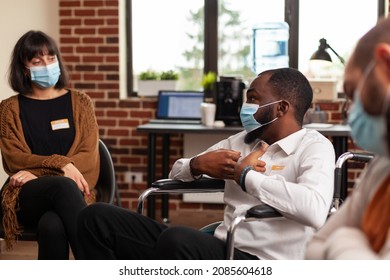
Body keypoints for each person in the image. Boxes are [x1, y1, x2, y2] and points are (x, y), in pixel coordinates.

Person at [77, 67, 335, 260]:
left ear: (280, 108)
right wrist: (198, 165)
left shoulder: (314, 147)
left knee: (178, 240)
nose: (245, 106)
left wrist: (246, 176)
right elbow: (176, 170)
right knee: (96, 218)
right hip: (223, 248)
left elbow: (313, 210)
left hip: (265, 260)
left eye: (253, 98)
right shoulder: (241, 141)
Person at [0, 30, 100, 260]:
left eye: (51, 58)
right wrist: (62, 165)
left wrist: (38, 171)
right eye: (37, 61)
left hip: (75, 192)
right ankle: (98, 266)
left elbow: (89, 157)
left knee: (52, 225)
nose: (46, 65)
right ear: (24, 68)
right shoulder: (8, 109)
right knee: (62, 186)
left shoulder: (81, 102)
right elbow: (15, 159)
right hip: (26, 194)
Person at [305, 16, 390, 260]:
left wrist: (345, 239)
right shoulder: (382, 166)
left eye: (353, 93)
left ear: (387, 64)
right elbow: (313, 249)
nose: (352, 111)